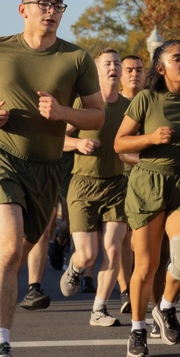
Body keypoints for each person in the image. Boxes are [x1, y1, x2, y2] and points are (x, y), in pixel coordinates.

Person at [0, 0, 104, 357]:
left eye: (58, 4)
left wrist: (63, 114)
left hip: (47, 169)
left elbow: (97, 116)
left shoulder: (76, 58)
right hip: (1, 158)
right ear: (23, 10)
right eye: (43, 3)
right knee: (5, 246)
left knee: (13, 256)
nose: (51, 10)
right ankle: (0, 346)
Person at [115, 39, 180, 357]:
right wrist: (151, 138)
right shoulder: (146, 99)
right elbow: (120, 143)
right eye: (178, 58)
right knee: (146, 265)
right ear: (161, 68)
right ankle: (137, 328)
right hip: (149, 182)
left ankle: (167, 307)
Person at [58, 48, 132, 327]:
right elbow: (57, 141)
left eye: (117, 64)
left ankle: (99, 310)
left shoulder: (129, 107)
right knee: (88, 253)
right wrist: (77, 143)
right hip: (83, 185)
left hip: (116, 185)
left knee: (113, 250)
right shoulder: (83, 104)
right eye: (107, 64)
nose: (113, 68)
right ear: (97, 71)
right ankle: (76, 268)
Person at [115, 54, 145, 313]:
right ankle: (126, 290)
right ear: (120, 75)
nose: (134, 74)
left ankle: (140, 284)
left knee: (141, 238)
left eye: (139, 69)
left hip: (147, 178)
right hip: (118, 175)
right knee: (124, 236)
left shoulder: (152, 101)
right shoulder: (113, 102)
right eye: (129, 70)